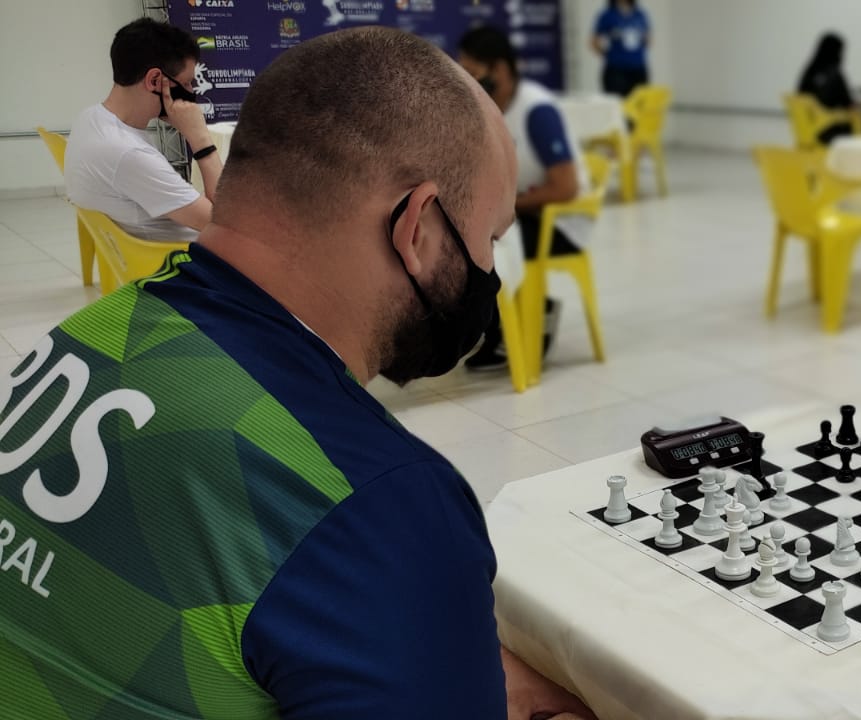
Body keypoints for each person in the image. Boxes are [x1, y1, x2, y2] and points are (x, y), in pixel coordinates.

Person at [0, 27, 594, 719]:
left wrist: (434, 645)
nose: (489, 270)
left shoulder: (87, 338)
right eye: (488, 238)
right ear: (417, 227)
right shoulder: (378, 504)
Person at [458, 25, 590, 371]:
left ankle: (522, 322)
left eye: (473, 71)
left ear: (499, 69)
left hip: (560, 221)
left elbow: (566, 188)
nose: (467, 80)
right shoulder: (488, 110)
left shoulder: (536, 111)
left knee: (483, 246)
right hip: (524, 211)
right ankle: (500, 327)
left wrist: (504, 207)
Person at [65, 18, 218, 242]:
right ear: (155, 80)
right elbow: (229, 225)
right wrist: (201, 140)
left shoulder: (90, 118)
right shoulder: (130, 153)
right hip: (188, 254)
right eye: (186, 83)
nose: (191, 91)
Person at [797, 32, 859, 146]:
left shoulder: (809, 72)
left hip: (807, 128)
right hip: (828, 131)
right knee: (857, 118)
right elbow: (849, 104)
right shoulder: (835, 74)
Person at [591, 0, 650, 98]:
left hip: (638, 67)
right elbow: (594, 41)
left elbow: (648, 38)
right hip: (616, 69)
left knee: (639, 101)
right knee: (617, 101)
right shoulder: (608, 15)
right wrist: (607, 55)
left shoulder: (639, 14)